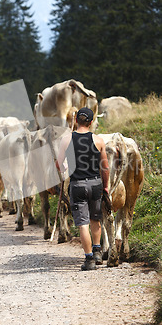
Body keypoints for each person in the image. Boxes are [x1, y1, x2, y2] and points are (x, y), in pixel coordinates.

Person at [56, 107, 109, 271]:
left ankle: (89, 260)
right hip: (95, 184)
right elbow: (105, 168)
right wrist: (105, 186)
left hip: (77, 185)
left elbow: (59, 165)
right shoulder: (98, 140)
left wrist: (65, 168)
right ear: (91, 122)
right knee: (96, 219)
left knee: (83, 223)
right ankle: (97, 250)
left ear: (76, 120)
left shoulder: (66, 140)